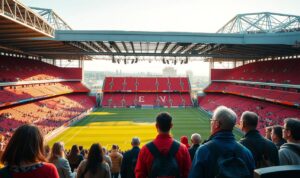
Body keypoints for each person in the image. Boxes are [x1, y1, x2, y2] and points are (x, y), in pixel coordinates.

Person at [189, 106, 255, 178]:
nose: (211, 123)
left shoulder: (203, 151)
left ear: (217, 124)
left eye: (212, 121)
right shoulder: (247, 153)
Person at [135, 112, 191, 178]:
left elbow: (139, 175)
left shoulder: (145, 149)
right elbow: (188, 173)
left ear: (156, 126)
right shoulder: (183, 149)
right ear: (171, 125)